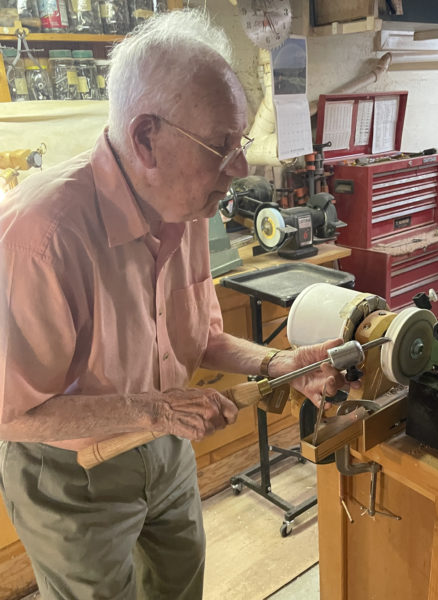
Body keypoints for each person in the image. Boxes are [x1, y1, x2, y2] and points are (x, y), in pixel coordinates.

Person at [0, 10, 352, 599]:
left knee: (180, 586)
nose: (238, 169)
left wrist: (279, 366)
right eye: (220, 146)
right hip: (71, 473)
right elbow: (11, 413)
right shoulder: (40, 239)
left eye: (237, 143)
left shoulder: (184, 204)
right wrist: (155, 411)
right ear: (145, 140)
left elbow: (201, 338)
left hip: (165, 447)